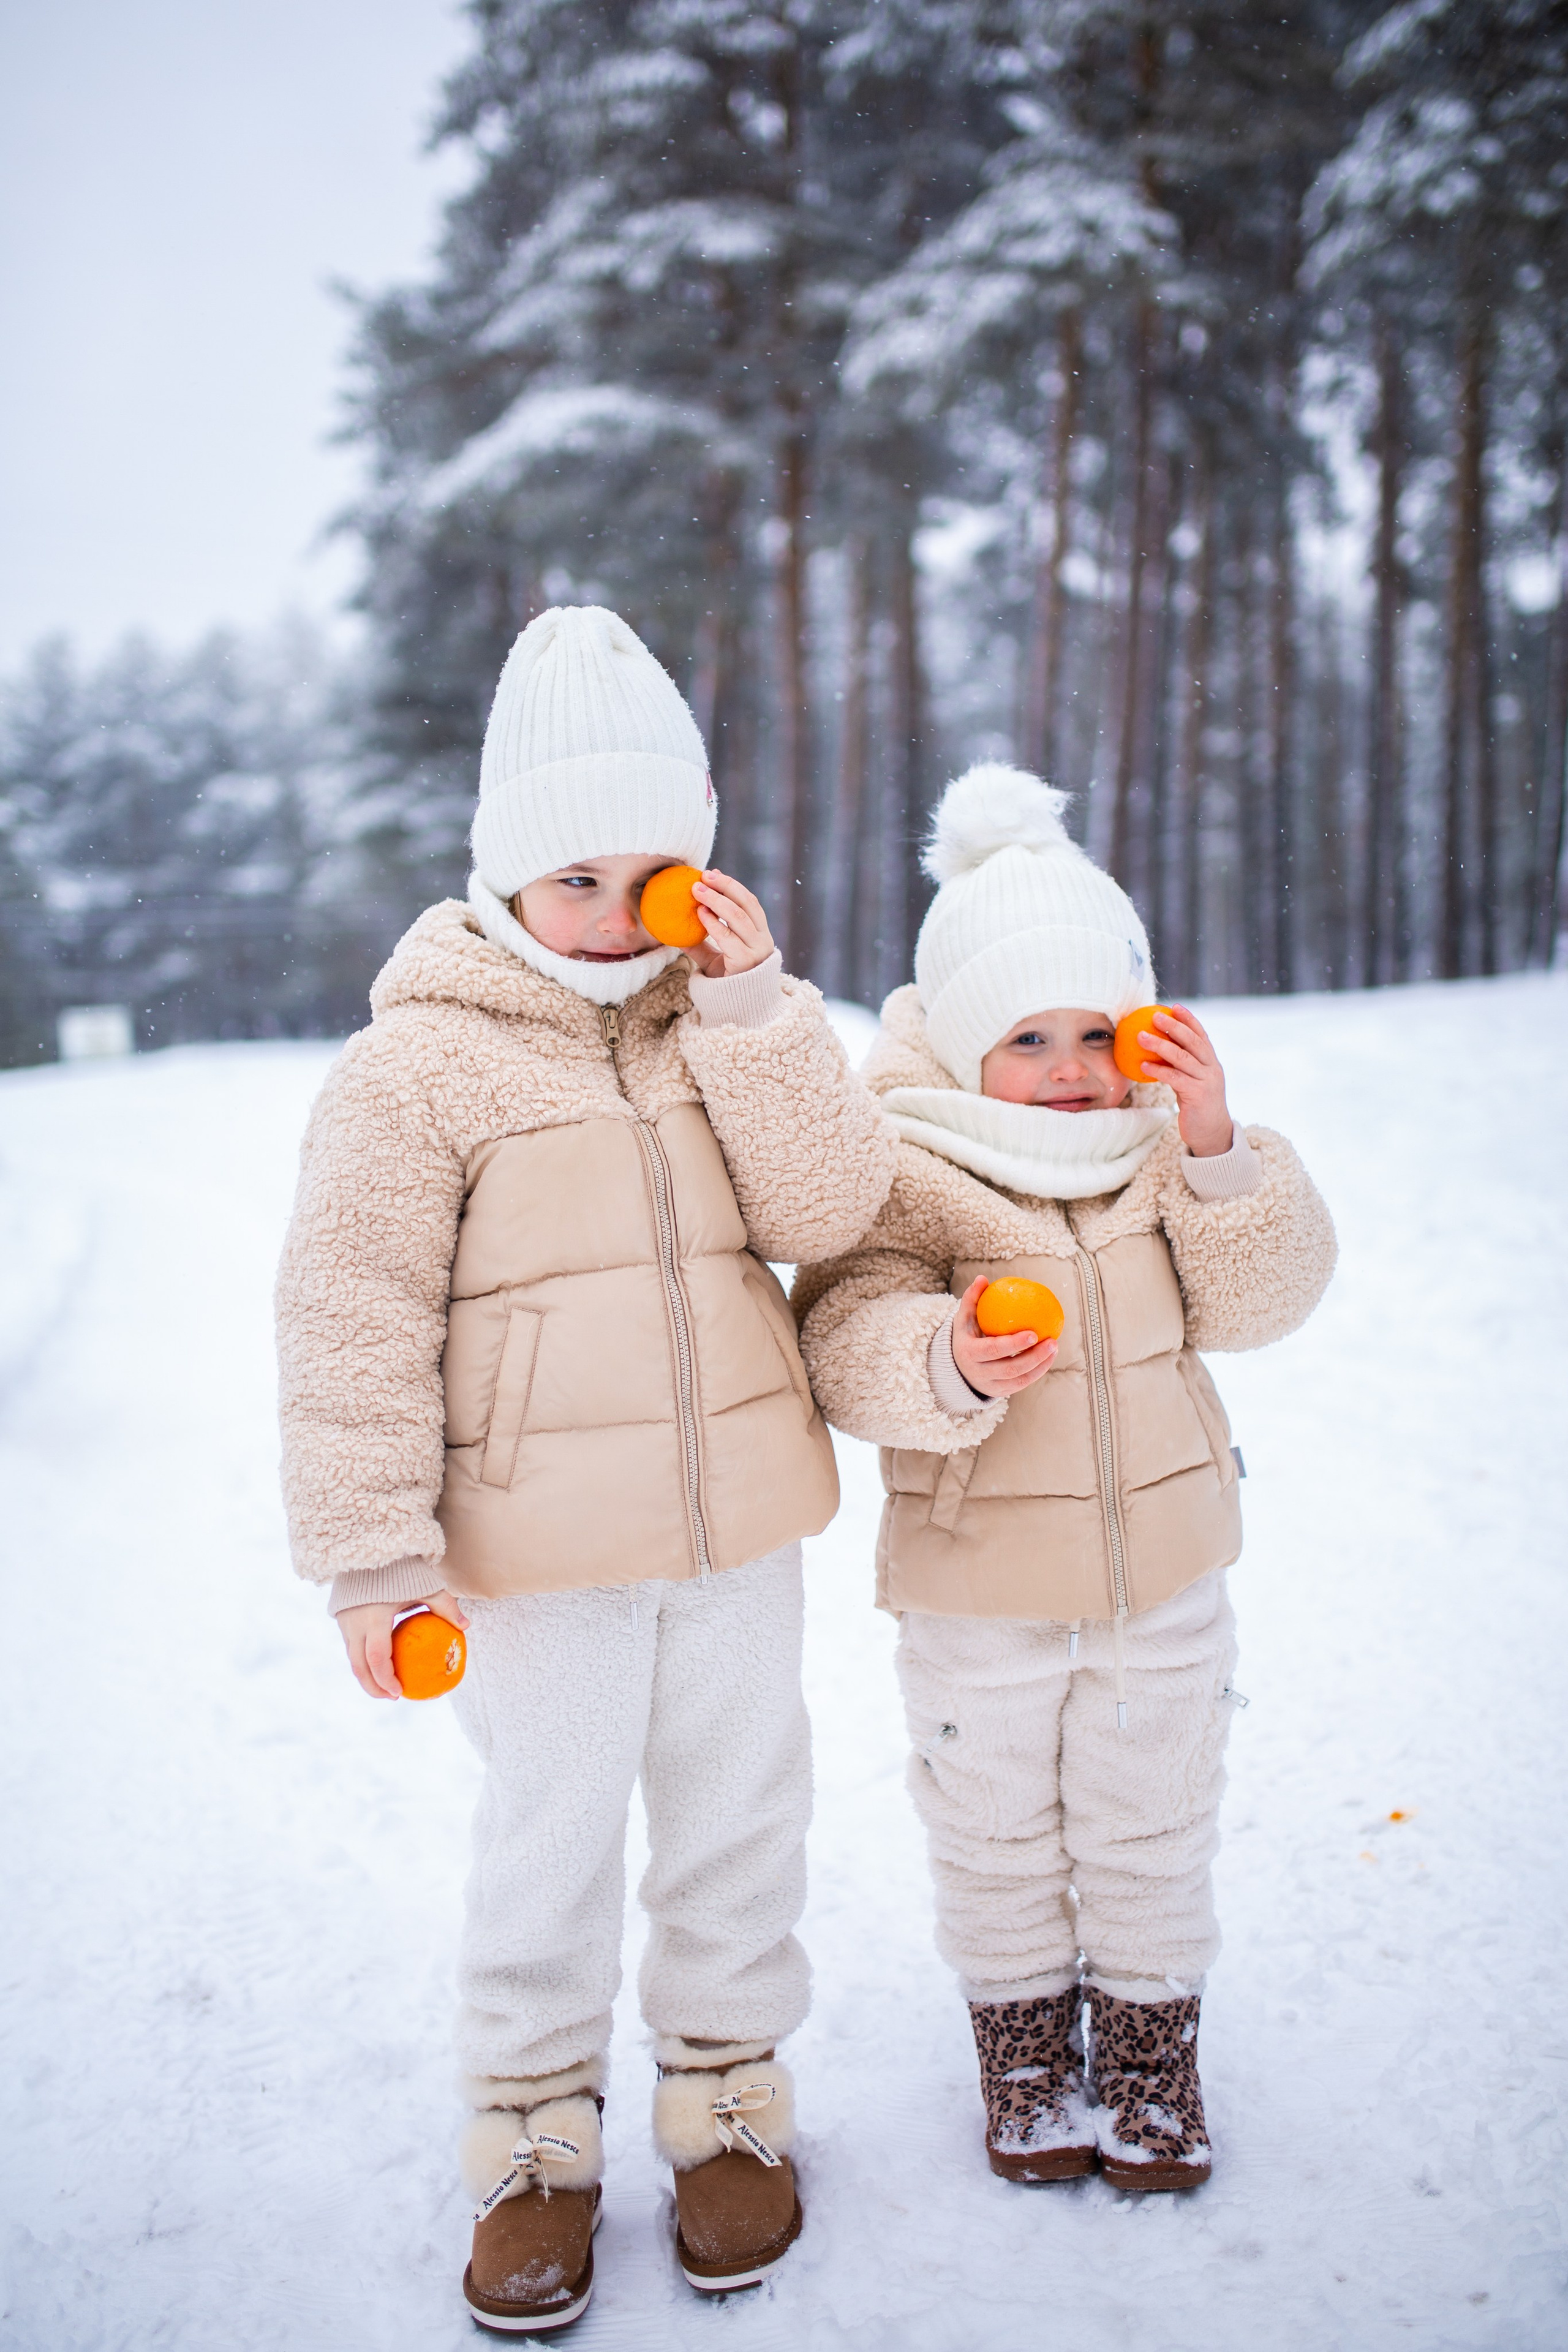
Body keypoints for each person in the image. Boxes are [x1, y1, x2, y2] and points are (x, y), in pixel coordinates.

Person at [274, 606, 896, 2331]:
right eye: (578, 880)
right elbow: (349, 1315)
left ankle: (727, 2095)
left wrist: (764, 1014)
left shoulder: (728, 1028)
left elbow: (829, 1215)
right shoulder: (417, 1068)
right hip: (534, 1557)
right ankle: (535, 2133)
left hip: (733, 1537)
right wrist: (374, 1557)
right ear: (499, 880)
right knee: (549, 1834)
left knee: (739, 1817)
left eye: (658, 876)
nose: (623, 919)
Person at [793, 763, 1336, 2192]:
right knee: (992, 1831)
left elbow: (1266, 1301)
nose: (1071, 1067)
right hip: (976, 1591)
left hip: (1162, 1574)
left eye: (1097, 1031)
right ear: (965, 1043)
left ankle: (1152, 2056)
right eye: (1027, 1036)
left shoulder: (1159, 1155)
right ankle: (1022, 2049)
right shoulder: (909, 1163)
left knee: (1154, 1817)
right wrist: (947, 1361)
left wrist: (1217, 1149)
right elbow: (840, 1336)